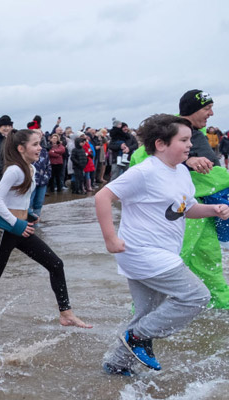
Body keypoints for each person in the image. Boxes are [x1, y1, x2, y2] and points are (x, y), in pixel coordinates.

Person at [96, 114, 229, 375]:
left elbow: (186, 208)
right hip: (141, 252)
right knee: (196, 296)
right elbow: (103, 196)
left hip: (159, 252)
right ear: (160, 144)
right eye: (183, 140)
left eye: (190, 139)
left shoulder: (181, 171)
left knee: (147, 311)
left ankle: (117, 364)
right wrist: (110, 238)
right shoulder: (145, 172)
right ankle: (137, 338)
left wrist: (213, 209)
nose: (190, 145)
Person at [0, 129, 91, 329]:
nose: (40, 148)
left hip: (22, 229)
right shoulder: (14, 170)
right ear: (21, 148)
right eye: (35, 144)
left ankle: (66, 313)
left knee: (56, 265)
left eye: (40, 144)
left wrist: (28, 215)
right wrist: (16, 222)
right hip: (6, 231)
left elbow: (18, 199)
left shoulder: (31, 169)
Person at [129, 89, 229, 309]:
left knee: (209, 263)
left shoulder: (199, 134)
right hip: (178, 212)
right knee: (171, 263)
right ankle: (140, 318)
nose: (211, 113)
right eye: (206, 108)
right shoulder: (169, 131)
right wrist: (188, 161)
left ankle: (220, 309)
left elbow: (214, 172)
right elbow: (145, 159)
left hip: (203, 212)